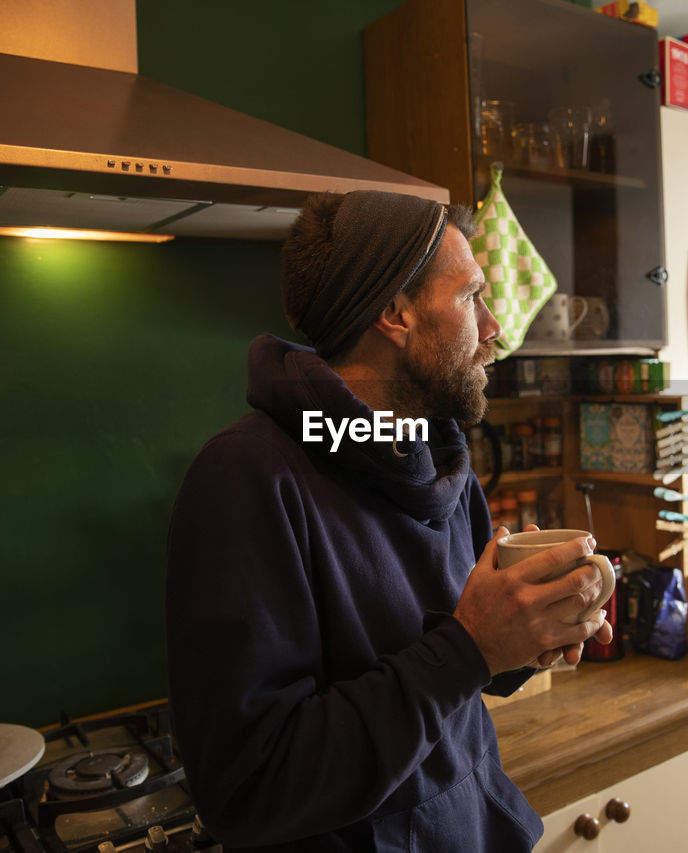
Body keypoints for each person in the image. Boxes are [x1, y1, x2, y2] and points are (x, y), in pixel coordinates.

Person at [165, 189, 612, 851]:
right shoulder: (247, 477)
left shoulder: (436, 454)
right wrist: (471, 648)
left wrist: (529, 630)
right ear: (394, 312)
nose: (494, 328)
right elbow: (250, 788)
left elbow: (452, 658)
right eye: (470, 298)